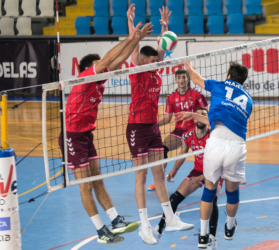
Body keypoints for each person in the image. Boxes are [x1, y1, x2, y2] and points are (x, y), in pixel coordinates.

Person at [58, 22, 153, 245]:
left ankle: (115, 220)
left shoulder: (98, 81)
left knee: (98, 180)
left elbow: (117, 61)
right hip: (72, 136)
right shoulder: (83, 79)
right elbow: (107, 61)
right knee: (85, 185)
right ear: (86, 69)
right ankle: (100, 230)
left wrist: (136, 39)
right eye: (98, 66)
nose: (103, 69)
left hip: (86, 135)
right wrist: (129, 39)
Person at [126, 5, 193, 245]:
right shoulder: (137, 71)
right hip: (136, 129)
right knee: (141, 176)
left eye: (158, 60)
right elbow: (134, 49)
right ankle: (144, 226)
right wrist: (131, 26)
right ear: (143, 61)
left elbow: (162, 49)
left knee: (160, 174)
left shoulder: (155, 72)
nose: (158, 63)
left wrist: (165, 26)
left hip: (153, 128)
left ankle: (170, 217)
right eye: (153, 60)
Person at [176, 61, 253, 248]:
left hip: (216, 144)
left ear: (228, 75)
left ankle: (203, 237)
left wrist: (190, 66)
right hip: (236, 146)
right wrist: (194, 116)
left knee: (209, 190)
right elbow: (229, 121)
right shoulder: (248, 100)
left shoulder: (219, 85)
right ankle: (229, 228)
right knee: (232, 191)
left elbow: (195, 79)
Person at [155, 108, 224, 245]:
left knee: (212, 200)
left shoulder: (214, 137)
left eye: (203, 115)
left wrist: (200, 178)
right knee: (174, 198)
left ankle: (212, 238)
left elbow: (218, 164)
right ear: (194, 118)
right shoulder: (188, 136)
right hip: (198, 170)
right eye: (198, 115)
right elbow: (183, 155)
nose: (200, 117)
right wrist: (174, 170)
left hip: (215, 172)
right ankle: (159, 230)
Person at [147, 69, 208, 191]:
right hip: (179, 131)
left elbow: (206, 111)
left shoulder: (196, 94)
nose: (181, 80)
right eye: (179, 77)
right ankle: (159, 180)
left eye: (184, 77)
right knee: (162, 150)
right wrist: (153, 125)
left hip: (196, 130)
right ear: (175, 80)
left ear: (187, 79)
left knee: (210, 154)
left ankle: (231, 177)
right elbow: (167, 118)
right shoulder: (171, 97)